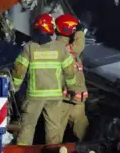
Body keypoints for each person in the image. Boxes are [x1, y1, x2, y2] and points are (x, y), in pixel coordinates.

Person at [12, 13, 78, 145]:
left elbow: (19, 71)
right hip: (54, 96)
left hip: (34, 97)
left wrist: (14, 87)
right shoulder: (60, 48)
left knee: (27, 127)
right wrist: (72, 88)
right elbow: (70, 71)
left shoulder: (29, 47)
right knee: (53, 129)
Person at [54, 13, 89, 142]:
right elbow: (79, 45)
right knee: (82, 131)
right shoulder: (66, 49)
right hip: (69, 99)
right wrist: (79, 31)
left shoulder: (57, 48)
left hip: (67, 100)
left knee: (56, 133)